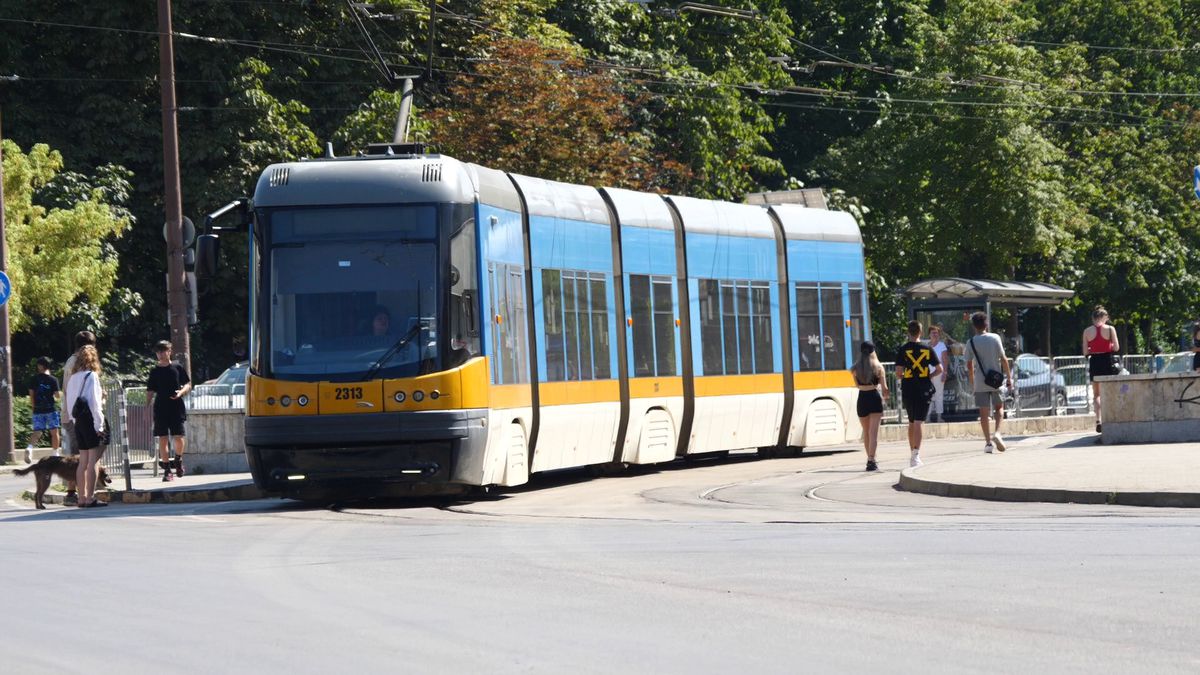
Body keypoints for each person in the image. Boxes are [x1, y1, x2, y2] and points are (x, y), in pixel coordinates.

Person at [64, 345, 108, 508]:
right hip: (90, 421)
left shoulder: (72, 378)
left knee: (82, 462)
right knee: (92, 461)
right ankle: (90, 497)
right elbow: (95, 403)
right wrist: (100, 425)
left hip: (77, 422)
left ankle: (81, 497)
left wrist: (75, 421)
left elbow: (69, 403)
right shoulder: (92, 376)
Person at [964, 312, 1012, 454]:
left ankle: (988, 443)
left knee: (984, 413)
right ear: (986, 325)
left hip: (980, 381)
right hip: (996, 381)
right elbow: (1003, 359)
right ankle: (997, 433)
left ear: (974, 326)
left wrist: (973, 383)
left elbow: (969, 365)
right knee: (999, 408)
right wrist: (1009, 378)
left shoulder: (971, 342)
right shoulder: (995, 338)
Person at [897, 321, 942, 467]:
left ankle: (912, 455)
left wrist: (906, 376)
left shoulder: (902, 349)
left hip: (908, 388)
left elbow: (898, 373)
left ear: (908, 332)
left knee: (911, 421)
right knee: (918, 422)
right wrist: (929, 376)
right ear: (921, 332)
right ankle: (916, 455)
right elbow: (940, 369)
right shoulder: (927, 349)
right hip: (923, 388)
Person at [146, 340, 192, 481]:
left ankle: (178, 460)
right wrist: (146, 407)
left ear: (169, 351)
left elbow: (188, 384)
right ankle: (167, 470)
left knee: (179, 436)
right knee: (163, 438)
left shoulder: (177, 367)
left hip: (176, 406)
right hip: (160, 407)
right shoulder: (154, 371)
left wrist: (181, 392)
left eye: (163, 351)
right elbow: (150, 391)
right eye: (158, 352)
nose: (160, 354)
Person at [60, 331, 97, 461]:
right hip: (78, 415)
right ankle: (80, 482)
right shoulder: (79, 363)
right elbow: (72, 392)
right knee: (82, 458)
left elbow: (65, 389)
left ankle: (79, 481)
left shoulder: (71, 360)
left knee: (79, 458)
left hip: (71, 414)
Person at [852, 341, 889, 472]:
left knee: (866, 432)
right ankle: (871, 460)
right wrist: (886, 396)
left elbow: (857, 385)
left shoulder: (855, 368)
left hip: (862, 398)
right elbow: (884, 389)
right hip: (874, 397)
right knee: (873, 433)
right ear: (873, 351)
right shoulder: (878, 367)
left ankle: (869, 458)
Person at [1082, 306, 1119, 433]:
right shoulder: (1110, 329)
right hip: (1107, 361)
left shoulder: (1087, 331)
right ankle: (1112, 418)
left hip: (1095, 362)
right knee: (1109, 391)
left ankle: (1099, 420)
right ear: (1105, 317)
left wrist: (1094, 348)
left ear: (1093, 318)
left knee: (1096, 394)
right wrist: (1109, 345)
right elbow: (1116, 348)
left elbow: (1085, 351)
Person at [26, 356, 61, 462]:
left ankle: (29, 448)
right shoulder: (53, 380)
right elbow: (57, 395)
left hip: (38, 410)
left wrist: (34, 407)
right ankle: (55, 454)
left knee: (37, 431)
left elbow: (31, 395)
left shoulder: (33, 379)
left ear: (40, 366)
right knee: (54, 432)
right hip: (51, 409)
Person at [926, 324, 950, 424]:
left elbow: (945, 360)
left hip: (939, 373)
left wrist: (945, 372)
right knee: (928, 395)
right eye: (933, 333)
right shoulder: (926, 346)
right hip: (927, 374)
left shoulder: (942, 346)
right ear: (929, 334)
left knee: (939, 394)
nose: (935, 334)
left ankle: (939, 417)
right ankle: (927, 417)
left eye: (937, 333)